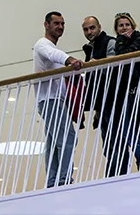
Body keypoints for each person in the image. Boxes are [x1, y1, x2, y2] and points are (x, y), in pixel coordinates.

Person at [33, 11, 83, 188]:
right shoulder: (42, 44)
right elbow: (54, 54)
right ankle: (63, 179)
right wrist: (70, 60)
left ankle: (53, 181)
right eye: (56, 23)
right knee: (68, 138)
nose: (60, 27)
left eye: (62, 24)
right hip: (50, 100)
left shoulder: (48, 47)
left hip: (53, 100)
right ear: (46, 25)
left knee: (54, 143)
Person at [110, 12, 140, 174]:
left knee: (133, 129)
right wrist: (121, 41)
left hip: (137, 91)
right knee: (130, 130)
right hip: (125, 92)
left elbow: (124, 55)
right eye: (121, 25)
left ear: (133, 25)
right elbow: (122, 54)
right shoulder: (119, 41)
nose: (124, 28)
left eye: (127, 24)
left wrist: (121, 42)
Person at [80, 16, 115, 131]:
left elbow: (114, 69)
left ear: (99, 27)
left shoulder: (109, 42)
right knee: (109, 137)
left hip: (113, 100)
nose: (89, 32)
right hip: (102, 102)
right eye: (86, 29)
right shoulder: (90, 48)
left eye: (92, 28)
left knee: (117, 136)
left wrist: (98, 65)